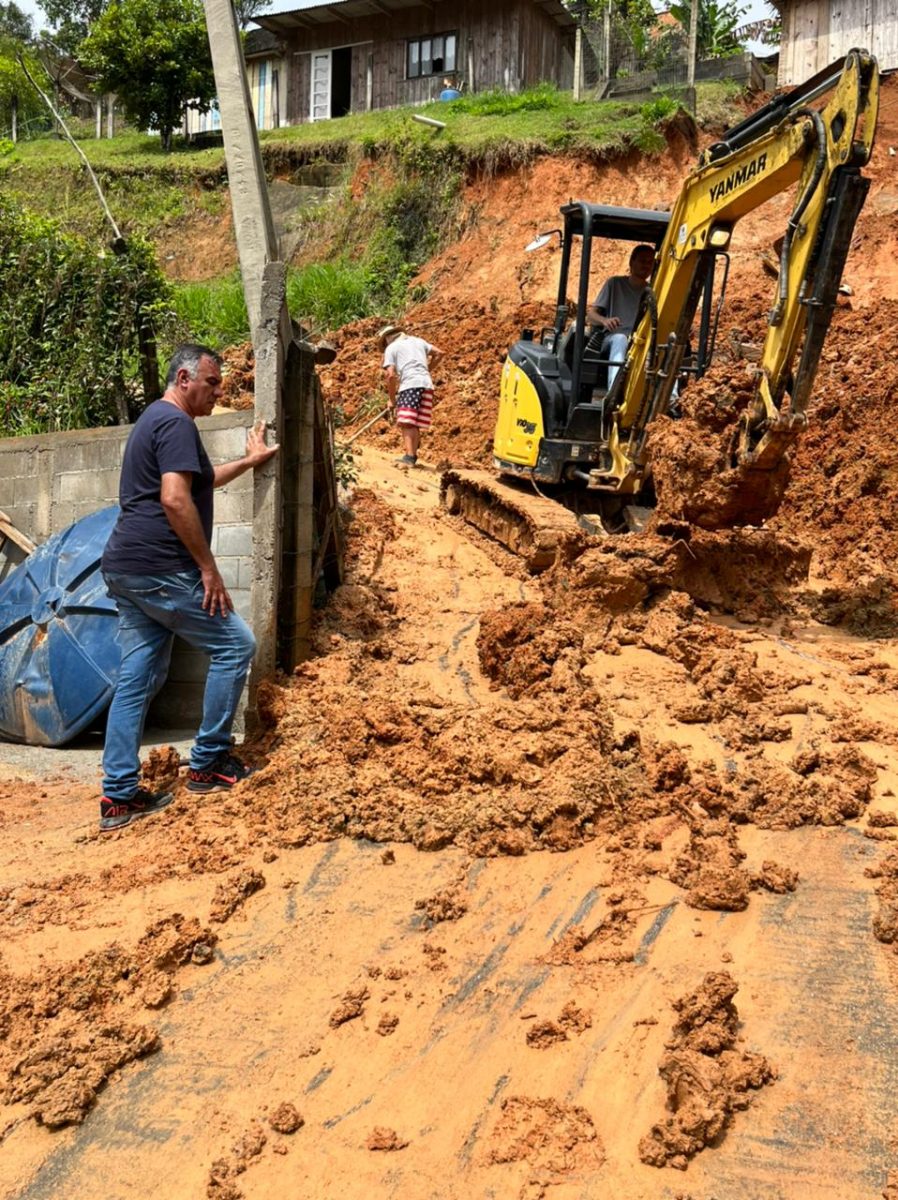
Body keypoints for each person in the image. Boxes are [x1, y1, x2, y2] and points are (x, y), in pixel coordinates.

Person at [97, 343, 279, 833]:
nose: (219, 392)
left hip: (126, 568)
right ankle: (209, 761)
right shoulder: (175, 423)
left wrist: (248, 462)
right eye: (212, 382)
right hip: (160, 568)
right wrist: (208, 568)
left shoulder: (156, 420)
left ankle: (117, 797)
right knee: (236, 644)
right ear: (183, 378)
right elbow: (176, 500)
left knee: (136, 678)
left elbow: (198, 482)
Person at [585, 243, 656, 390]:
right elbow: (591, 315)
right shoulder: (614, 284)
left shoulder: (653, 293)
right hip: (613, 339)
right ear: (632, 262)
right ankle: (614, 389)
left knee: (663, 347)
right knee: (620, 339)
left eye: (650, 262)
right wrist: (605, 321)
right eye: (643, 261)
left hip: (640, 341)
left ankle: (672, 398)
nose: (646, 266)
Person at [379, 324, 443, 468]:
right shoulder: (418, 341)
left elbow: (390, 375)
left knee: (407, 422)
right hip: (427, 385)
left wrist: (391, 399)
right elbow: (440, 353)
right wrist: (426, 370)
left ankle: (409, 457)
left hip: (410, 385)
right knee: (414, 422)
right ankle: (412, 456)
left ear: (386, 340)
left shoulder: (391, 348)